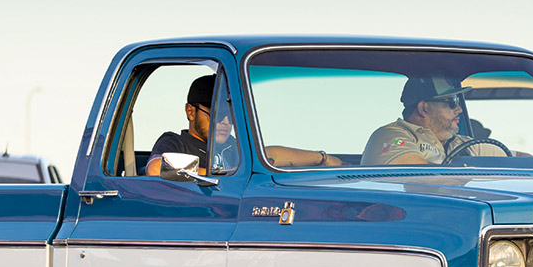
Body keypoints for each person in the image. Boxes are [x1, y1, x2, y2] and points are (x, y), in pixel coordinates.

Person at [146, 76, 342, 176]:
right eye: (217, 114)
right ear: (191, 112)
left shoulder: (233, 147)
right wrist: (224, 174)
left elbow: (270, 154)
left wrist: (323, 159)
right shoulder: (176, 143)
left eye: (230, 115)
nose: (225, 122)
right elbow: (156, 168)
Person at [361, 76, 506, 166]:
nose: (459, 109)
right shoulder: (394, 136)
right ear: (424, 108)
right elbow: (415, 175)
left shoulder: (466, 144)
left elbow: (521, 161)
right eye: (452, 102)